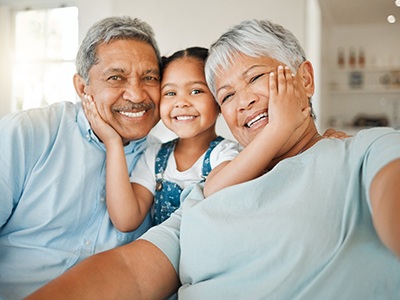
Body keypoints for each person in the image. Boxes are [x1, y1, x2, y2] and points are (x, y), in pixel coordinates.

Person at [27, 19, 400, 299]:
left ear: (305, 79)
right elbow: (132, 271)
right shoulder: (206, 189)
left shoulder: (364, 152)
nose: (244, 101)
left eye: (255, 78)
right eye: (227, 95)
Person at [0, 16, 162, 299]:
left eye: (150, 77)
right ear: (82, 87)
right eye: (116, 77)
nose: (137, 94)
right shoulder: (26, 133)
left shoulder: (162, 160)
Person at [82, 46, 241, 232]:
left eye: (196, 91)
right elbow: (126, 221)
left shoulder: (227, 154)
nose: (181, 102)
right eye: (170, 93)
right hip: (163, 257)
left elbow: (216, 192)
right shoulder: (155, 157)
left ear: (218, 98)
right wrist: (113, 143)